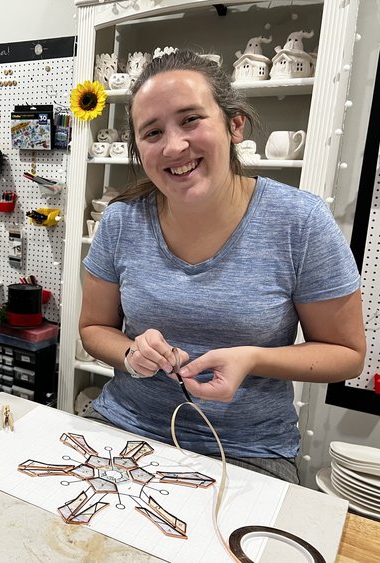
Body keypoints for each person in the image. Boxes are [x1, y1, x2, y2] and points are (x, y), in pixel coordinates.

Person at [79, 50, 365, 484]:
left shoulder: (299, 221)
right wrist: (130, 352)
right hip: (126, 426)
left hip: (248, 450)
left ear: (234, 125)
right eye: (152, 132)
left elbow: (347, 354)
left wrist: (252, 359)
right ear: (138, 147)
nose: (174, 146)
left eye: (191, 119)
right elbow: (93, 328)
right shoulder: (122, 221)